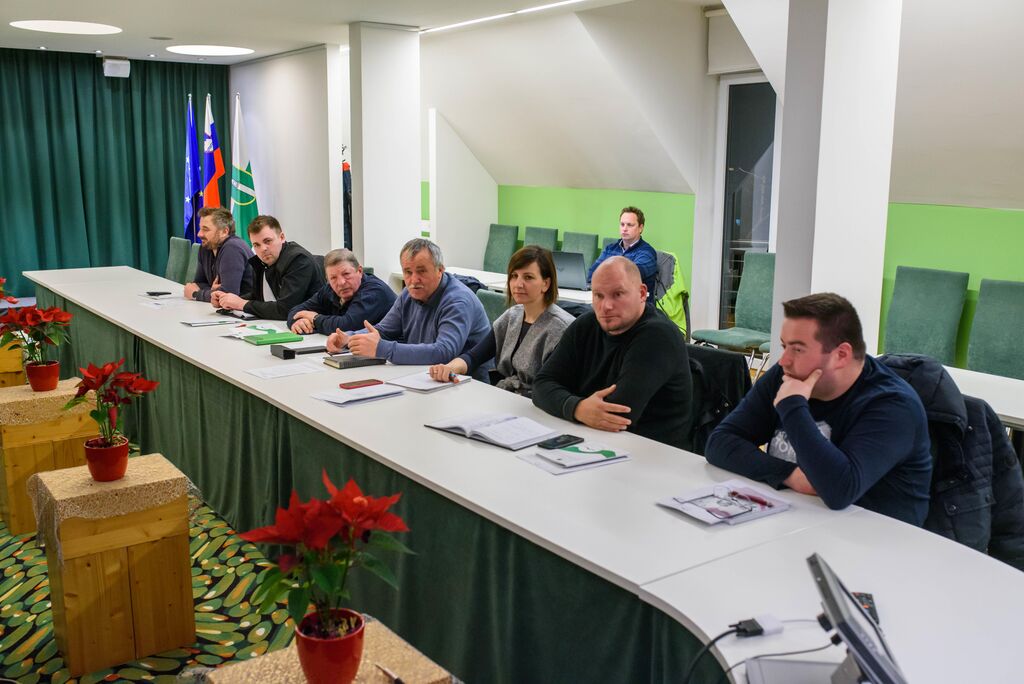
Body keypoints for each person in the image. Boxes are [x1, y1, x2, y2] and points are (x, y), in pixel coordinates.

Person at [705, 293, 932, 526]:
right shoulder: (787, 375)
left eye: (798, 349)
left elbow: (839, 491)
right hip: (797, 522)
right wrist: (790, 475)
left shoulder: (893, 406)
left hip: (875, 537)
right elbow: (719, 442)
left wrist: (792, 407)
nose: (784, 360)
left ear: (841, 355)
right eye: (784, 346)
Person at [532, 257, 692, 449]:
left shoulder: (658, 336)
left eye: (618, 294)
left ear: (642, 293)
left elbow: (616, 415)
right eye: (598, 295)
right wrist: (578, 408)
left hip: (651, 453)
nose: (606, 306)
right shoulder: (586, 325)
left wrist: (566, 401)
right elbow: (541, 385)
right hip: (595, 441)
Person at [325, 239, 491, 380]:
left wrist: (382, 348)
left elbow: (444, 352)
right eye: (408, 272)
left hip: (466, 385)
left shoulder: (457, 301)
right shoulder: (409, 293)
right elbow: (385, 330)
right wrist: (349, 339)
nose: (413, 280)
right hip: (423, 377)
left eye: (421, 271)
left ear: (440, 270)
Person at [427, 246, 574, 396]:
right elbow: (474, 356)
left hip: (538, 402)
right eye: (514, 276)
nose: (518, 284)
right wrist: (449, 368)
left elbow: (555, 387)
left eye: (528, 277)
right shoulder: (512, 316)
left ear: (546, 284)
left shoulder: (561, 328)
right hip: (507, 396)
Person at [211, 215, 324, 320]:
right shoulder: (261, 262)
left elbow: (285, 309)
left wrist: (241, 304)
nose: (263, 249)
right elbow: (259, 296)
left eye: (267, 241)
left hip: (311, 325)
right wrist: (227, 300)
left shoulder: (299, 260)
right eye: (256, 245)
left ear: (282, 237)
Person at [287, 248, 396, 334]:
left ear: (359, 271)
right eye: (333, 278)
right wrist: (298, 322)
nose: (341, 282)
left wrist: (315, 319)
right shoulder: (329, 289)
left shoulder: (374, 291)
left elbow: (347, 326)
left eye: (346, 274)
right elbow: (296, 310)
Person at [183, 207, 253, 302]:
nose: (199, 234)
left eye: (205, 229)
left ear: (224, 232)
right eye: (200, 228)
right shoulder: (206, 247)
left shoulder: (232, 248)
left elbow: (228, 295)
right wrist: (213, 291)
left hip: (245, 307)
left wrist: (196, 294)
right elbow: (198, 283)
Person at [587, 206, 658, 295]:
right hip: (609, 298)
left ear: (640, 228)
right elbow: (592, 274)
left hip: (636, 302)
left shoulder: (647, 252)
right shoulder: (610, 249)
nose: (624, 229)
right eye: (622, 224)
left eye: (630, 225)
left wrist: (604, 274)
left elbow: (629, 278)